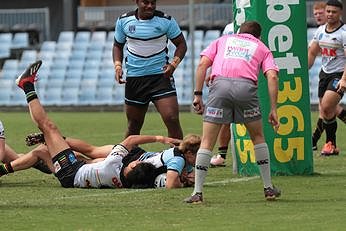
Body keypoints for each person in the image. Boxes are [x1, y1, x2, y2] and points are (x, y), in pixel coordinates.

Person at [10, 60, 182, 189]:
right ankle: (11, 167)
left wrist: (160, 138)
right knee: (43, 149)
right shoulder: (125, 179)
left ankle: (26, 85)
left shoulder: (113, 165)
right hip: (74, 174)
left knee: (48, 127)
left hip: (70, 171)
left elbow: (129, 140)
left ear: (133, 165)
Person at [183, 21, 281, 203]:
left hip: (219, 87)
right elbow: (272, 76)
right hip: (246, 89)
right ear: (258, 36)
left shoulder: (223, 40)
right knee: (258, 138)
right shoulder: (262, 47)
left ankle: (197, 193)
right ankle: (268, 188)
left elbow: (202, 65)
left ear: (238, 32)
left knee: (206, 141)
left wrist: (197, 95)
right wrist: (274, 109)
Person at [112, 0, 187, 140]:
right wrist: (118, 65)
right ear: (137, 2)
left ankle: (178, 157)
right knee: (133, 125)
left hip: (161, 77)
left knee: (171, 119)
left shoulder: (166, 21)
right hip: (135, 78)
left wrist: (173, 64)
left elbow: (181, 44)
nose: (150, 6)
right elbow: (117, 45)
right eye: (146, 2)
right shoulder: (124, 21)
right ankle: (127, 157)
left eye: (153, 2)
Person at [24, 132, 201, 189]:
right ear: (190, 153)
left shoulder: (180, 157)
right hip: (134, 160)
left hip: (139, 157)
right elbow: (171, 181)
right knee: (90, 155)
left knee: (90, 154)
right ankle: (55, 140)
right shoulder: (177, 161)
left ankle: (55, 141)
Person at [308, 0, 346, 156]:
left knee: (328, 106)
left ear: (340, 13)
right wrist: (304, 71)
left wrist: (344, 79)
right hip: (324, 74)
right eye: (328, 11)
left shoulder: (343, 33)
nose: (330, 14)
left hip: (339, 74)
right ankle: (332, 146)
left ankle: (325, 142)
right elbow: (312, 52)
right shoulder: (320, 31)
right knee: (325, 110)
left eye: (334, 12)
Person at [209, 22, 234, 167]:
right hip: (226, 76)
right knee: (225, 117)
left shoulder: (252, 24)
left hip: (247, 77)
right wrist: (213, 71)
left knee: (253, 119)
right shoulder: (229, 28)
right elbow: (221, 52)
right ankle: (222, 156)